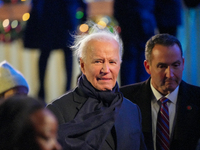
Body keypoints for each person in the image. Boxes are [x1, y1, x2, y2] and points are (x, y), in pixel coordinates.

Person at [47, 22, 146, 150]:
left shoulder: (132, 110)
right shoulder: (57, 111)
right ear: (82, 65)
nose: (106, 69)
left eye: (112, 62)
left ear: (119, 64)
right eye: (98, 61)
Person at [120, 34, 200, 150]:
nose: (170, 74)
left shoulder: (197, 99)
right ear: (147, 66)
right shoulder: (125, 99)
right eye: (162, 66)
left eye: (175, 65)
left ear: (182, 63)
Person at [23, 0, 86, 100]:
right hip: (52, 17)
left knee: (60, 54)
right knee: (50, 54)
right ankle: (44, 92)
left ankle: (64, 91)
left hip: (59, 17)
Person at [113, 0, 156, 86]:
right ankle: (136, 92)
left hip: (138, 22)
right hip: (137, 21)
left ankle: (139, 91)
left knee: (140, 58)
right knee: (134, 58)